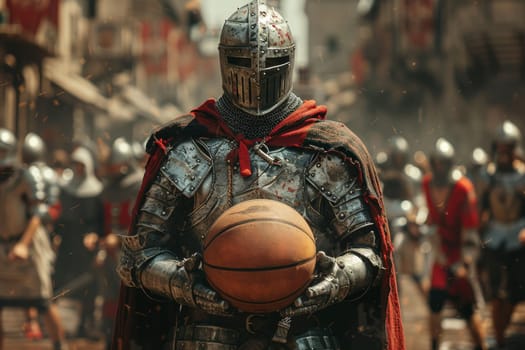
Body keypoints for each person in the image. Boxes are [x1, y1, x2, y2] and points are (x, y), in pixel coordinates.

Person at [112, 2, 404, 349]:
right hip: (206, 338)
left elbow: (370, 254)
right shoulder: (188, 150)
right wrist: (187, 285)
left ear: (288, 61)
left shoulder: (326, 152)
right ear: (224, 60)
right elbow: (139, 256)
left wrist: (331, 283)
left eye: (272, 63)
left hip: (304, 336)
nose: (257, 74)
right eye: (241, 61)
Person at [0, 128, 68, 350]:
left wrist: (23, 244)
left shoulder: (25, 176)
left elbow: (38, 213)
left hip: (29, 244)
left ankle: (60, 345)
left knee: (42, 301)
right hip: (3, 244)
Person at [422, 138, 486, 350]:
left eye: (443, 163)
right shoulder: (426, 184)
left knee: (467, 308)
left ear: (449, 164)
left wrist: (466, 263)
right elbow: (431, 219)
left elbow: (470, 230)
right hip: (441, 254)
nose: (440, 167)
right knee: (435, 304)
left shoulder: (462, 188)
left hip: (460, 255)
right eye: (437, 163)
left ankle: (482, 345)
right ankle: (434, 345)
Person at [479, 120, 525, 349]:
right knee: (496, 291)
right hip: (495, 237)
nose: (504, 152)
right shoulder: (488, 176)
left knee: (517, 292)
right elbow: (481, 209)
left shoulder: (523, 176)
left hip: (519, 237)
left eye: (508, 147)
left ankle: (503, 332)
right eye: (501, 147)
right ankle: (498, 339)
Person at [53, 146, 104, 339]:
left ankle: (86, 324)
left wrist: (96, 235)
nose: (78, 168)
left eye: (81, 165)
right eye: (76, 164)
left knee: (88, 286)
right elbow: (62, 218)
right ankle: (61, 326)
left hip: (86, 246)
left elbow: (100, 220)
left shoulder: (97, 191)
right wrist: (56, 235)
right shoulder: (66, 189)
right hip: (68, 243)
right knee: (62, 283)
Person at [97, 138, 142, 348]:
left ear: (124, 164)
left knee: (129, 300)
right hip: (109, 254)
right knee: (109, 298)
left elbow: (142, 224)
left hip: (133, 254)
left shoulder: (139, 184)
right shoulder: (108, 187)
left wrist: (120, 237)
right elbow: (100, 221)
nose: (110, 168)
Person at [21, 132, 63, 341]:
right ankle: (32, 321)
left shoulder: (47, 175)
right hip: (20, 234)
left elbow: (53, 208)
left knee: (43, 280)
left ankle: (48, 328)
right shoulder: (20, 174)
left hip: (42, 233)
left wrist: (34, 216)